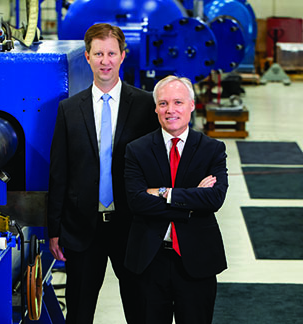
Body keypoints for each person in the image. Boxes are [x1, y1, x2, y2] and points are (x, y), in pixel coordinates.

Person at [47, 23, 158, 324]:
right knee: (80, 312)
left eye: (111, 53)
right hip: (83, 227)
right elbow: (60, 171)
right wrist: (54, 228)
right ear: (87, 57)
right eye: (98, 53)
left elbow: (156, 168)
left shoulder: (146, 106)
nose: (105, 60)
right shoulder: (69, 110)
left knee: (141, 308)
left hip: (131, 226)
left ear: (123, 55)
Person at [124, 75, 228, 324]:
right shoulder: (136, 150)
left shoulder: (212, 149)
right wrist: (191, 204)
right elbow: (137, 201)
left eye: (178, 102)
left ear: (192, 105)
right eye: (163, 103)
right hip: (149, 260)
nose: (170, 110)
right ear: (156, 108)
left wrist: (163, 192)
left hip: (196, 261)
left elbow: (214, 199)